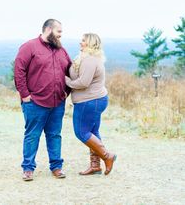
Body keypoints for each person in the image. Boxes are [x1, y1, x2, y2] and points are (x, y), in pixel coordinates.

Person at [14, 19, 71, 181]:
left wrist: (66, 91)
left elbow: (70, 70)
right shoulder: (29, 47)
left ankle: (56, 167)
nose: (61, 34)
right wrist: (25, 95)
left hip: (57, 102)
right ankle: (28, 168)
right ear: (48, 29)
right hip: (35, 102)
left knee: (54, 135)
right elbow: (19, 71)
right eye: (58, 31)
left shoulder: (61, 50)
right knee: (32, 135)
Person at [65, 33, 116, 176]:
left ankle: (107, 156)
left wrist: (66, 81)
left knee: (81, 132)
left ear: (90, 43)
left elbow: (83, 82)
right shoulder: (86, 58)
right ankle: (95, 166)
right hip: (95, 100)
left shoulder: (90, 60)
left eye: (83, 41)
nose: (80, 42)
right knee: (93, 133)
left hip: (89, 101)